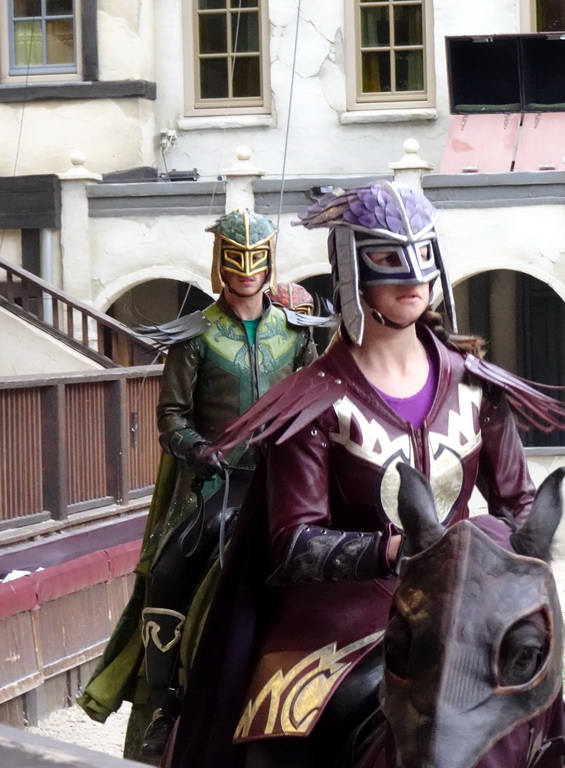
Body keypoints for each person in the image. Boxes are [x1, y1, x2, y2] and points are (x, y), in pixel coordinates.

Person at [168, 181, 565, 768]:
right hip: (339, 623)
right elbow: (291, 544)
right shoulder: (313, 404)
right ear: (352, 270)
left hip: (465, 616)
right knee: (274, 745)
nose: (414, 281)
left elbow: (517, 501)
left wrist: (509, 556)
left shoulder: (478, 386)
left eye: (421, 261)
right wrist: (389, 552)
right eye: (390, 263)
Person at [77, 209, 320, 763]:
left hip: (285, 480)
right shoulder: (195, 336)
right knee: (169, 572)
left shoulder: (297, 334)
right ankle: (164, 702)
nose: (247, 271)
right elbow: (171, 417)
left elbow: (316, 403)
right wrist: (200, 450)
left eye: (256, 259)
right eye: (236, 259)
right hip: (216, 485)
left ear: (268, 261)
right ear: (221, 263)